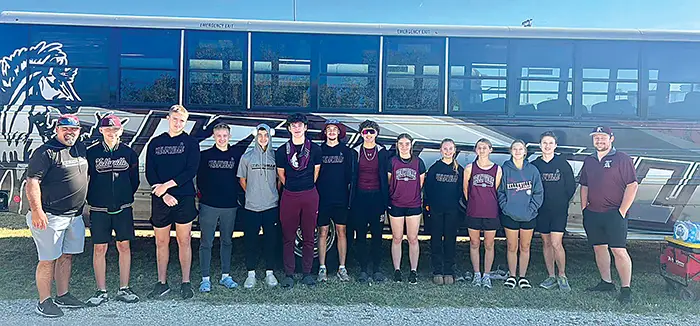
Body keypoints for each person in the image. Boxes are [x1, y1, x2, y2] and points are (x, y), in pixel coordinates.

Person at [26, 114, 88, 317]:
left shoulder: (80, 148)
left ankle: (63, 295)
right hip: (50, 216)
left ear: (79, 131)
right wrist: (37, 211)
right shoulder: (45, 152)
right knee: (47, 259)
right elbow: (32, 182)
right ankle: (44, 301)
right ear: (56, 129)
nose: (70, 132)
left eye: (74, 129)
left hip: (74, 216)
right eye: (65, 129)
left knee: (66, 256)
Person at [145, 105, 200, 299]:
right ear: (168, 119)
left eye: (182, 121)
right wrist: (163, 194)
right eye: (175, 119)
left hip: (183, 197)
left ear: (186, 122)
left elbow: (190, 171)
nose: (178, 123)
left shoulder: (191, 143)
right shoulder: (155, 143)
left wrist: (167, 186)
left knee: (184, 241)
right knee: (161, 242)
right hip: (161, 199)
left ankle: (186, 282)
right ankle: (162, 283)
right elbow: (150, 172)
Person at [85, 115, 140, 307]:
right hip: (99, 208)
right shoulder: (90, 153)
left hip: (123, 208)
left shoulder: (129, 153)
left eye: (115, 129)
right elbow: (86, 178)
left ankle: (124, 288)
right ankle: (101, 291)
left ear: (121, 131)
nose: (111, 132)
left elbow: (134, 180)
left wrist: (125, 196)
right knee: (99, 248)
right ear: (100, 130)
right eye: (107, 129)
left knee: (124, 246)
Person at [580, 126, 638, 304]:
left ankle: (625, 289)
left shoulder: (622, 158)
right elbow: (584, 185)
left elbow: (632, 185)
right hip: (593, 213)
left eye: (603, 137)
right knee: (599, 248)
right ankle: (606, 282)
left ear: (611, 138)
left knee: (618, 250)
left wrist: (622, 211)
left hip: (615, 214)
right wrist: (584, 209)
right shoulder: (589, 160)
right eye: (596, 138)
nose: (599, 141)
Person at [196, 123, 245, 293]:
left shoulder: (236, 155)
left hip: (230, 206)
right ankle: (205, 279)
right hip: (209, 205)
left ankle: (226, 276)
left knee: (227, 241)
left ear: (229, 137)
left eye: (225, 135)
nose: (222, 139)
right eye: (218, 135)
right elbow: (200, 180)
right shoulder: (205, 156)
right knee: (206, 242)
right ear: (213, 136)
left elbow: (241, 179)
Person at [275, 113, 322, 288]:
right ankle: (289, 273)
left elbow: (316, 173)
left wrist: (304, 186)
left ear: (305, 128)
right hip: (289, 195)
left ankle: (307, 273)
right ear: (289, 128)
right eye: (293, 125)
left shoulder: (315, 149)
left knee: (309, 236)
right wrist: (293, 187)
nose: (296, 128)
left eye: (300, 125)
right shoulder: (281, 151)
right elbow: (281, 174)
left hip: (309, 193)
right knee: (288, 236)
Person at [531, 131, 576, 291]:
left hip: (558, 210)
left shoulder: (562, 164)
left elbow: (571, 186)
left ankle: (562, 275)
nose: (547, 146)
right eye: (544, 143)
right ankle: (550, 276)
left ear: (555, 146)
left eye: (550, 143)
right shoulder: (535, 165)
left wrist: (563, 201)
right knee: (546, 242)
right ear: (540, 145)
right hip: (542, 210)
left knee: (557, 243)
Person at [238, 124, 280, 289]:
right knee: (251, 241)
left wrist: (272, 193)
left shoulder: (275, 157)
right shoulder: (247, 157)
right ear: (256, 137)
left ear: (270, 137)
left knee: (271, 240)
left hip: (271, 205)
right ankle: (251, 274)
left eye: (266, 135)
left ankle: (270, 273)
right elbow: (242, 179)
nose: (263, 138)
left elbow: (279, 179)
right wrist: (251, 192)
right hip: (251, 207)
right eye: (260, 135)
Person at [498, 139, 543, 289]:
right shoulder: (505, 169)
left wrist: (532, 210)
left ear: (525, 152)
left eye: (520, 149)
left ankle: (522, 277)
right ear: (511, 151)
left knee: (525, 246)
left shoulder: (533, 170)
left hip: (528, 215)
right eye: (514, 149)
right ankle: (512, 276)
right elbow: (500, 192)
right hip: (510, 215)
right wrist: (506, 207)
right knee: (511, 246)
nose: (517, 152)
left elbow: (538, 192)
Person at [349, 120, 390, 283]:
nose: (368, 135)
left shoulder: (382, 152)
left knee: (377, 234)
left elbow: (386, 176)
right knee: (360, 235)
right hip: (359, 197)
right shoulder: (355, 152)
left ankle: (377, 269)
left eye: (371, 132)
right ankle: (363, 269)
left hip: (377, 198)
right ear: (361, 134)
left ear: (377, 134)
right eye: (365, 132)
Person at [316, 120, 353, 282]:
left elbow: (350, 177)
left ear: (339, 133)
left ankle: (342, 268)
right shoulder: (318, 151)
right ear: (325, 133)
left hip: (341, 198)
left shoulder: (346, 152)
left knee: (341, 232)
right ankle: (322, 268)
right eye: (328, 129)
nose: (331, 132)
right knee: (322, 233)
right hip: (322, 198)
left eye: (334, 129)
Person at [388, 133, 426, 284]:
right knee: (397, 238)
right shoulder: (392, 162)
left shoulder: (418, 162)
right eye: (401, 144)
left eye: (407, 144)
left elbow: (420, 183)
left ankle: (413, 271)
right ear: (397, 145)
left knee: (413, 238)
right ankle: (397, 270)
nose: (404, 147)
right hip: (396, 204)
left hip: (413, 205)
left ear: (411, 145)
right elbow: (389, 181)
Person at [464, 138, 502, 289]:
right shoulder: (469, 168)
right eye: (479, 147)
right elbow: (465, 190)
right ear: (475, 150)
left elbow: (496, 190)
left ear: (490, 150)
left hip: (491, 212)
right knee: (474, 243)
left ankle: (486, 275)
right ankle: (476, 274)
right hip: (474, 211)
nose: (482, 150)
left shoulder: (497, 169)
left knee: (489, 244)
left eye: (485, 147)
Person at [424, 138, 463, 285]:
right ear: (441, 150)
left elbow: (462, 191)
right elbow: (428, 189)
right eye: (445, 149)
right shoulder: (435, 168)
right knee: (436, 240)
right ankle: (437, 270)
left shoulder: (459, 169)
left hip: (453, 211)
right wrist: (429, 207)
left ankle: (449, 270)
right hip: (436, 211)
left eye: (450, 148)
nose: (448, 151)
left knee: (450, 241)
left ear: (454, 150)